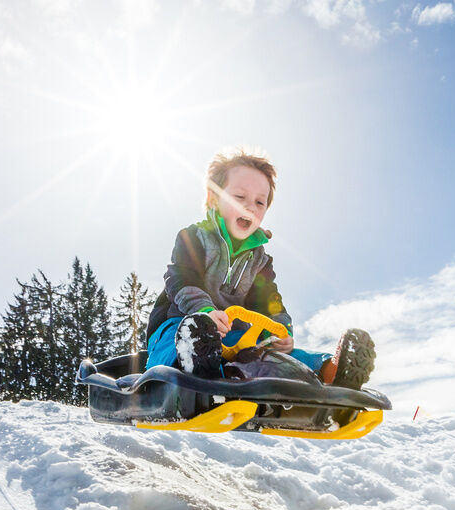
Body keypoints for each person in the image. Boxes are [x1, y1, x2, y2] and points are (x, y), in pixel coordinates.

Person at [144, 148, 375, 390]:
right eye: (239, 197)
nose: (250, 207)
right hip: (179, 323)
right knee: (181, 342)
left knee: (283, 357)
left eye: (259, 202)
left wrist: (280, 331)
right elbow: (182, 278)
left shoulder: (260, 260)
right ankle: (194, 364)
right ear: (214, 199)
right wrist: (205, 312)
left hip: (234, 337)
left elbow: (269, 300)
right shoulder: (194, 237)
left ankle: (331, 372)